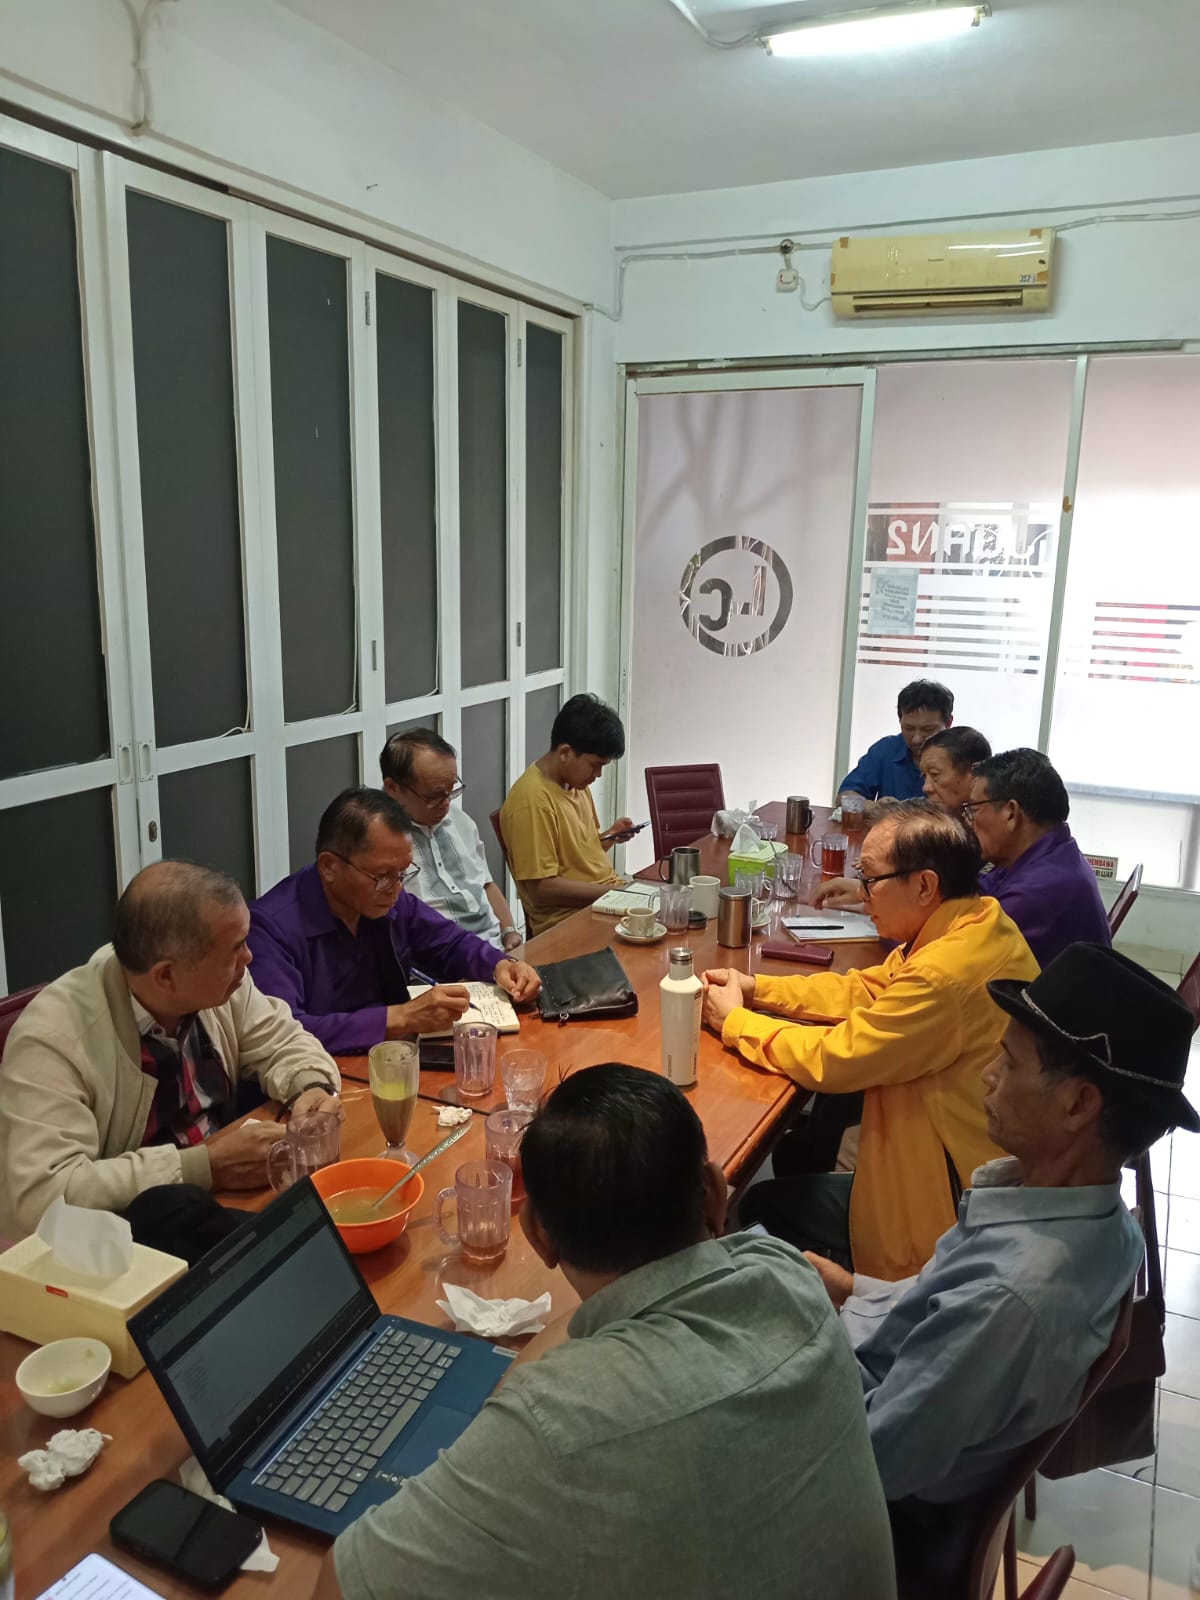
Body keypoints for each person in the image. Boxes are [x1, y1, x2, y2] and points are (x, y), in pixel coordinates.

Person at [319, 1064, 897, 1600]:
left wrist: (511, 1420)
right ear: (717, 1196)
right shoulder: (787, 1273)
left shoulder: (557, 1430)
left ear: (537, 1235)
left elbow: (340, 1585)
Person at [802, 945, 1195, 1555]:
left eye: (1009, 1064)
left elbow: (872, 1464)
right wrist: (853, 1289)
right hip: (872, 1412)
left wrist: (779, 1364)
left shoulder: (1012, 1298)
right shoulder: (1094, 1221)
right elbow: (939, 1318)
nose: (988, 1074)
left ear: (1077, 1104)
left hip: (869, 1520)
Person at [701, 802, 1037, 1280]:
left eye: (871, 879)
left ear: (924, 885)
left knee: (757, 1202)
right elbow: (869, 989)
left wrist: (736, 1023)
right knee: (796, 1161)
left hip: (947, 1210)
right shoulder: (976, 921)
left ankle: (836, 1313)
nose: (864, 894)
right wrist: (760, 989)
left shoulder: (944, 976)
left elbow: (838, 1060)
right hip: (948, 1163)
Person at [0, 862, 341, 1260]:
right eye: (235, 950)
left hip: (222, 1205)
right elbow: (43, 1197)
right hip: (121, 1253)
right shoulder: (54, 1038)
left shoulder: (224, 983)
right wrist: (202, 1166)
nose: (249, 958)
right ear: (165, 976)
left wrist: (310, 1086)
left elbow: (283, 1039)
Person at [248, 789, 540, 1054]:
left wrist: (501, 965)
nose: (396, 888)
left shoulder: (388, 895)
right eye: (383, 876)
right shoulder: (270, 929)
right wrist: (401, 1016)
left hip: (396, 1056)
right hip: (319, 1075)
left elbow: (449, 944)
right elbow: (286, 1032)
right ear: (329, 867)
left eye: (403, 873)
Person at [500, 693, 635, 938]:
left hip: (605, 901)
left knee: (681, 914)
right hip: (569, 920)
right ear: (565, 753)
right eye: (595, 765)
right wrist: (616, 895)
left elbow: (577, 855)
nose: (598, 775)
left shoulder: (575, 783)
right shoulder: (532, 801)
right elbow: (541, 888)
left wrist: (610, 836)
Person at [816, 725, 992, 910]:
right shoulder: (939, 821)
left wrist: (869, 895)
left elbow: (965, 905)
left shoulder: (990, 834)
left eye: (935, 775)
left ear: (974, 773)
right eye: (924, 776)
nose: (926, 787)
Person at [379, 727, 524, 953]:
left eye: (451, 790)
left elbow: (486, 883)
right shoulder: (380, 842)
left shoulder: (459, 821)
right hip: (441, 960)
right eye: (435, 795)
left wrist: (509, 930)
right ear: (393, 789)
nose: (446, 803)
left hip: (495, 948)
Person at [965, 748, 1111, 968]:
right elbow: (981, 891)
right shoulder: (1041, 852)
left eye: (974, 810)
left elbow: (962, 955)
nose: (969, 821)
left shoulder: (1039, 890)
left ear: (1011, 814)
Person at [838, 679, 954, 816]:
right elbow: (843, 797)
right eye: (909, 728)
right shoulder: (886, 750)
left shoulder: (963, 755)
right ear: (900, 720)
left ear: (948, 723)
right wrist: (873, 807)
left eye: (927, 729)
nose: (916, 739)